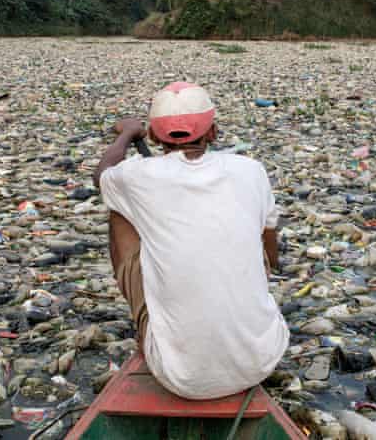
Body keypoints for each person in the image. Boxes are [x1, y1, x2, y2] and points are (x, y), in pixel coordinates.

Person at [93, 82, 289, 400]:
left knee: (119, 210)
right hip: (262, 359)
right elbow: (270, 244)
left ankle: (151, 321)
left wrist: (128, 133)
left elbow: (102, 174)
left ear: (155, 137)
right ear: (213, 132)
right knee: (258, 233)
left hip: (180, 376)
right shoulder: (251, 170)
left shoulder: (137, 176)